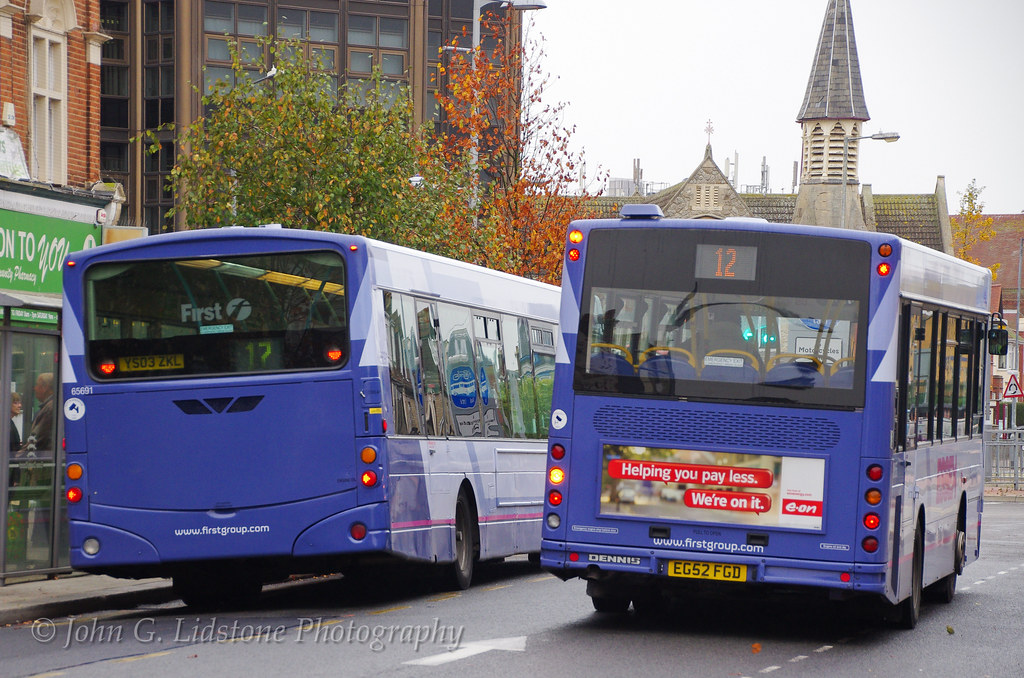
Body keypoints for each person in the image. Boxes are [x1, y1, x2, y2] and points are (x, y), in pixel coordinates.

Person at [21, 372, 54, 458]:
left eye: (37, 385)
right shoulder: (49, 406)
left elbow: (38, 439)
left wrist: (20, 455)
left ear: (45, 388)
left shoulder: (50, 408)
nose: (34, 388)